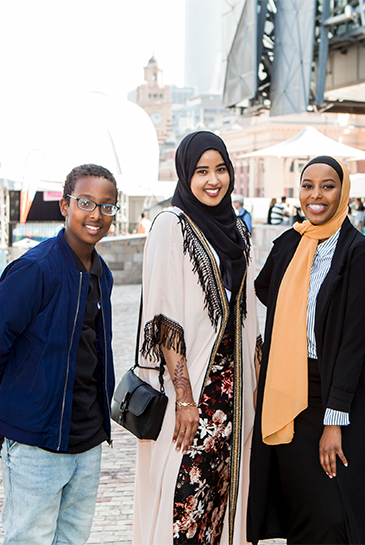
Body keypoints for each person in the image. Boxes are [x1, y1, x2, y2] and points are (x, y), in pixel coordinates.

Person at [0, 164, 118, 545]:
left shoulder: (102, 273)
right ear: (65, 206)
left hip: (87, 441)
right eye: (86, 202)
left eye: (107, 206)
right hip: (35, 443)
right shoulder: (35, 269)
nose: (96, 214)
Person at [248, 157, 365, 544]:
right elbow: (263, 289)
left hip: (337, 397)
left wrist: (333, 421)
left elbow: (355, 346)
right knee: (303, 514)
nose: (316, 195)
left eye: (328, 185)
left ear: (343, 192)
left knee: (335, 517)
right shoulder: (290, 243)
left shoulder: (361, 254)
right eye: (308, 185)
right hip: (289, 394)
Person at [133, 131, 261, 545]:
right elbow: (164, 317)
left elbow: (249, 311)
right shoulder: (171, 225)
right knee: (183, 502)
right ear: (185, 174)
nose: (213, 180)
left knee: (221, 501)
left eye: (221, 169)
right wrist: (185, 399)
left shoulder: (238, 231)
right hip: (191, 396)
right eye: (202, 171)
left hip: (233, 393)